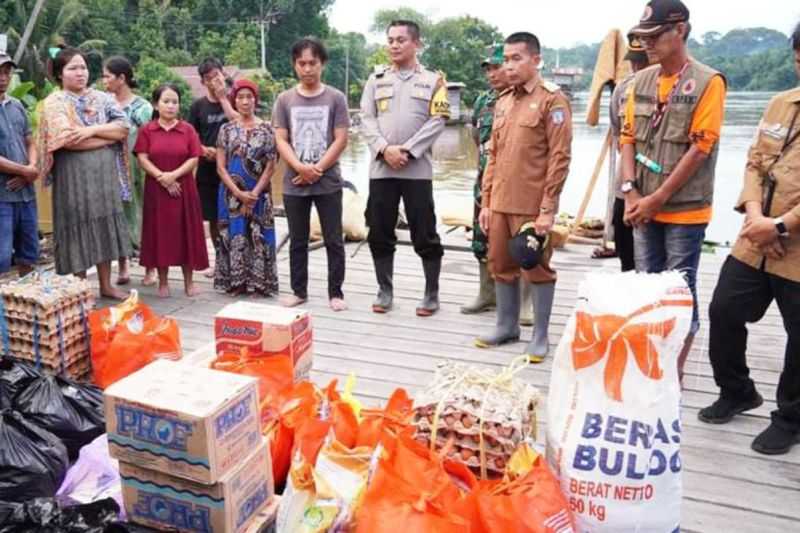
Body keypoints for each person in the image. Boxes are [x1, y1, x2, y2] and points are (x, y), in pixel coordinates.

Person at [697, 24, 800, 456]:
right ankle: (737, 390)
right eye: (798, 56)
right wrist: (758, 218)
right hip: (755, 238)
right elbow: (755, 163)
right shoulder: (781, 103)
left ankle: (791, 417)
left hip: (793, 244)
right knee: (724, 309)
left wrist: (780, 227)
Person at [620, 0, 727, 381]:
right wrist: (631, 192)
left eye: (654, 36)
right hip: (643, 204)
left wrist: (656, 199)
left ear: (679, 30)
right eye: (642, 36)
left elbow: (701, 147)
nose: (646, 43)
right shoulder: (641, 81)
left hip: (685, 209)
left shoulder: (708, 82)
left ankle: (673, 375)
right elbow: (627, 138)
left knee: (680, 290)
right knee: (647, 289)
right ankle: (650, 361)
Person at [474, 32, 573, 364]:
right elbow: (493, 155)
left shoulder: (552, 100)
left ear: (536, 60)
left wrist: (548, 210)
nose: (510, 66)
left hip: (531, 205)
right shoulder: (502, 100)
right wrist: (486, 203)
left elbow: (560, 159)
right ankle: (506, 326)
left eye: (517, 58)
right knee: (500, 264)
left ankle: (540, 336)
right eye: (506, 59)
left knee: (536, 267)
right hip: (500, 202)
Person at [360, 20, 451, 316]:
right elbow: (366, 119)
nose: (394, 45)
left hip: (417, 172)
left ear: (416, 44)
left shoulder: (434, 80)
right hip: (382, 170)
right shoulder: (376, 79)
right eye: (390, 40)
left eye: (401, 40)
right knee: (379, 231)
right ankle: (384, 290)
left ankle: (431, 294)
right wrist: (385, 149)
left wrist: (408, 151)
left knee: (424, 232)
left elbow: (438, 120)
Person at [38, 48, 131, 299]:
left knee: (104, 223)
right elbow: (66, 140)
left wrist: (91, 131)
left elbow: (123, 128)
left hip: (103, 175)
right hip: (73, 175)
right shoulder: (54, 103)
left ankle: (106, 285)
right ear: (60, 74)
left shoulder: (104, 98)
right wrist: (105, 139)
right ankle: (78, 288)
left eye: (83, 67)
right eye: (73, 68)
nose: (80, 73)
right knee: (75, 224)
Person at [273, 37, 349, 311]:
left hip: (328, 181)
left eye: (312, 63)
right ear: (294, 65)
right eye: (302, 63)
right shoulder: (284, 99)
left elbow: (340, 139)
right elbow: (281, 139)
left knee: (333, 238)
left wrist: (316, 169)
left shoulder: (335, 98)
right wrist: (301, 168)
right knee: (298, 239)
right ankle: (299, 291)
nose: (307, 69)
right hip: (294, 182)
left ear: (322, 64)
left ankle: (335, 292)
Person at [134, 83, 208, 297]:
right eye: (166, 101)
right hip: (156, 192)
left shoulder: (187, 130)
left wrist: (173, 176)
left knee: (186, 234)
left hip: (183, 189)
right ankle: (163, 282)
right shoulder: (147, 130)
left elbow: (194, 157)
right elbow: (142, 157)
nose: (170, 106)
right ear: (156, 105)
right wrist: (161, 177)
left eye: (175, 102)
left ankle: (189, 282)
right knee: (160, 233)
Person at [215, 79, 279, 297]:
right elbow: (221, 167)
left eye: (249, 97)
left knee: (258, 235)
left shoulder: (267, 129)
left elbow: (271, 166)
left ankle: (260, 284)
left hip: (258, 194)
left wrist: (253, 194)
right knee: (235, 234)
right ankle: (236, 282)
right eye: (240, 97)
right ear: (234, 100)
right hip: (231, 195)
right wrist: (238, 193)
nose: (244, 101)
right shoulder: (226, 130)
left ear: (255, 100)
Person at [595, 33, 651, 272]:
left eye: (643, 61)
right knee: (625, 250)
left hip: (657, 186)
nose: (637, 67)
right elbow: (620, 136)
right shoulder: (623, 89)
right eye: (634, 61)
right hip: (625, 185)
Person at [461, 43, 508, 314]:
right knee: (481, 238)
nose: (492, 74)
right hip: (484, 181)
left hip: (514, 183)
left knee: (518, 241)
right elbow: (476, 137)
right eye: (488, 69)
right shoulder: (483, 101)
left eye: (497, 67)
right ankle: (486, 293)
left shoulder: (523, 98)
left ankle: (523, 301)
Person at [102, 56, 155, 286]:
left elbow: (150, 139)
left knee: (143, 213)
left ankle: (150, 267)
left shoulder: (142, 108)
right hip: (110, 167)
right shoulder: (103, 104)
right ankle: (123, 265)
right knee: (117, 214)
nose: (104, 81)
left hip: (138, 168)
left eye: (107, 76)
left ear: (121, 78)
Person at [188, 57, 239, 279]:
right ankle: (220, 259)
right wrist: (202, 150)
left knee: (235, 214)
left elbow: (239, 124)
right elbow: (189, 138)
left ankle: (237, 259)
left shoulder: (237, 99)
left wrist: (223, 98)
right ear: (202, 82)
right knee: (213, 218)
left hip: (234, 168)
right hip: (208, 169)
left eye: (217, 75)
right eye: (209, 78)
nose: (214, 80)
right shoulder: (198, 106)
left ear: (224, 73)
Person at [0, 51, 38, 276]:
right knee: (2, 257)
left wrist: (30, 170)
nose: (3, 78)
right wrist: (25, 170)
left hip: (26, 194)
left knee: (29, 253)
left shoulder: (17, 105)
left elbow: (30, 141)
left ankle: (26, 303)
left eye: (6, 72)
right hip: (2, 196)